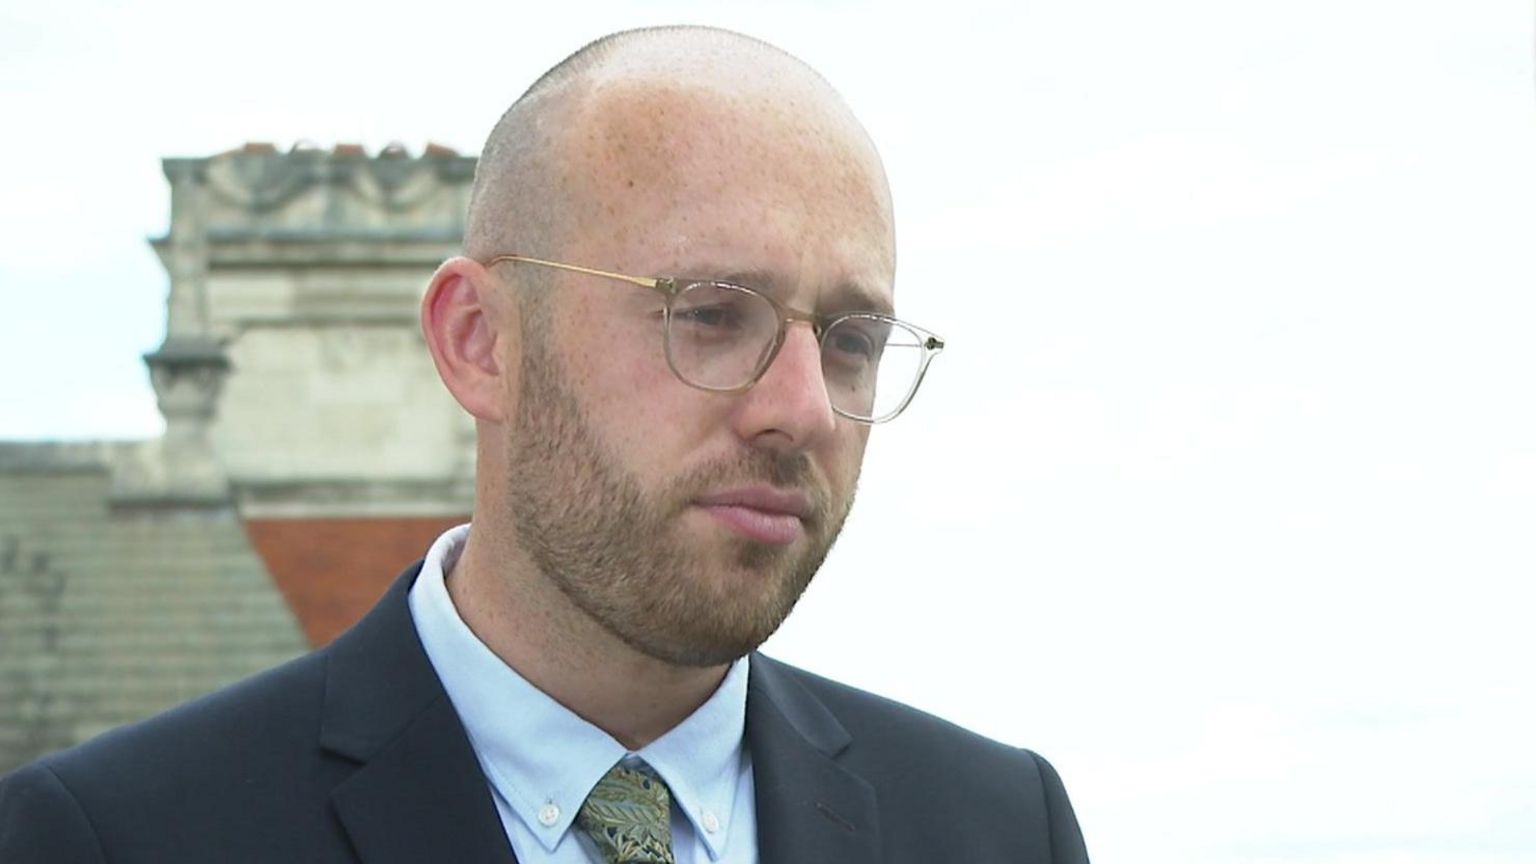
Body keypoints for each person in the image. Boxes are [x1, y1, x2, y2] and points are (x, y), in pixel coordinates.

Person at [0, 25, 1088, 863]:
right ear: (479, 343)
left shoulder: (996, 827)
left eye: (850, 339)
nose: (802, 409)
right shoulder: (114, 837)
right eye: (709, 313)